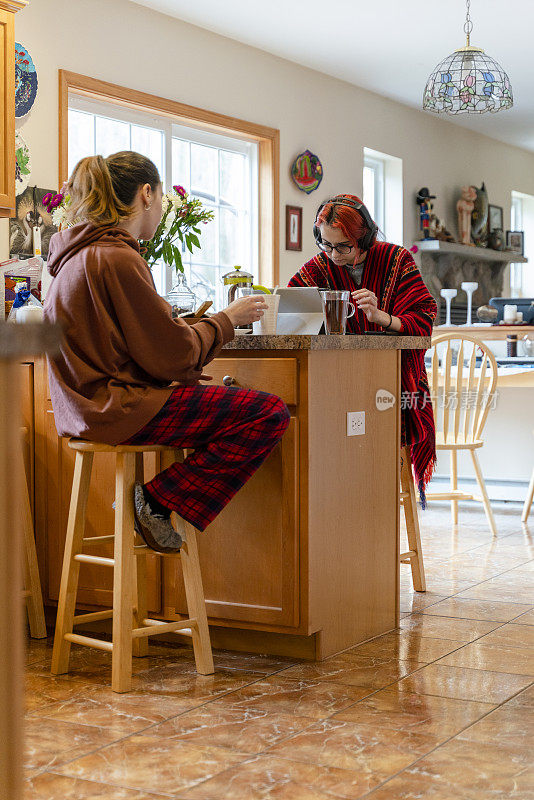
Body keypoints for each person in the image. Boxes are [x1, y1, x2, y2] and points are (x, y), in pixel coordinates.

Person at [44, 151, 290, 553]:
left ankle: (154, 501)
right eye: (158, 197)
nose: (159, 208)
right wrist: (227, 319)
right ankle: (156, 500)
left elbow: (137, 344)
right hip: (119, 410)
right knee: (267, 413)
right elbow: (173, 355)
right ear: (146, 194)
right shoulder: (119, 257)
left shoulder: (73, 258)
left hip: (84, 412)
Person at [288, 194, 437, 503]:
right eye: (326, 245)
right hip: (337, 381)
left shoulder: (397, 260)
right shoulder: (318, 267)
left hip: (391, 383)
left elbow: (424, 320)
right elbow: (291, 309)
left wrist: (384, 317)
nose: (333, 255)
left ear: (364, 236)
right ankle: (335, 505)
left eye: (343, 246)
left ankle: (364, 513)